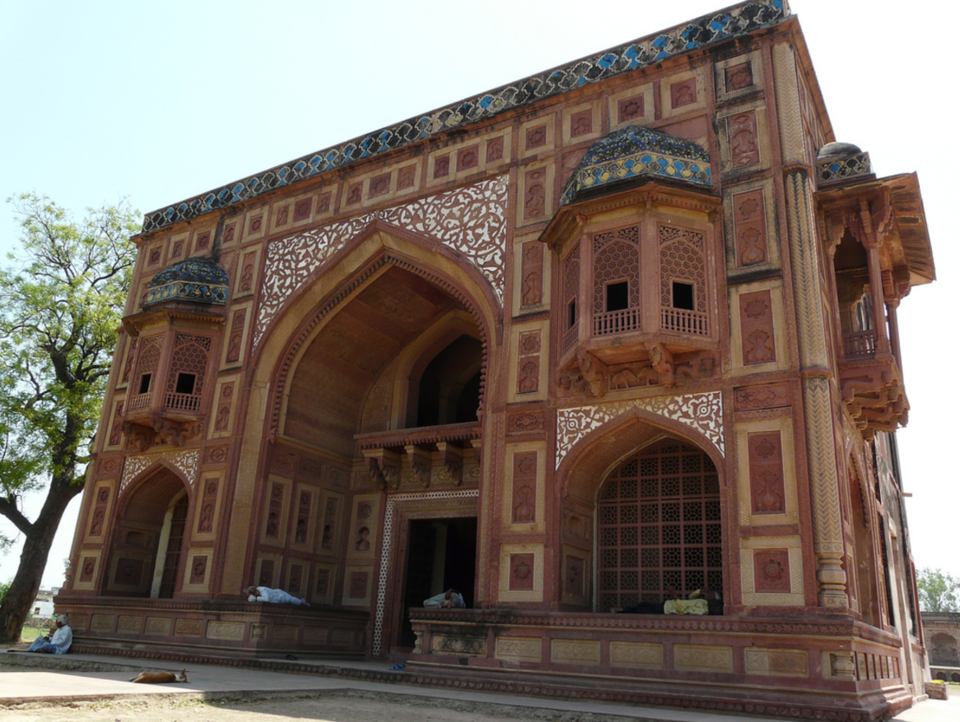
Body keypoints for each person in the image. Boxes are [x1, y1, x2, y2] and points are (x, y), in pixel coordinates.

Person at [245, 585, 310, 606]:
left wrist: (256, 599)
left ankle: (303, 603)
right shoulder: (258, 592)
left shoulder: (263, 590)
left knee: (292, 599)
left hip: (280, 595)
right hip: (278, 598)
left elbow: (267, 599)